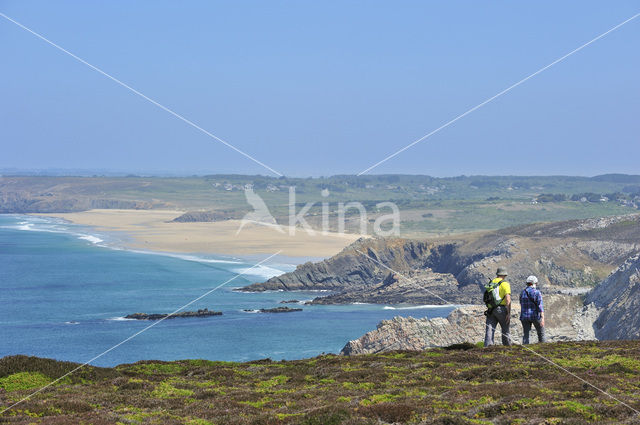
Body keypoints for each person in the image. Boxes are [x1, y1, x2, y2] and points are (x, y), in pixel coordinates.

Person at [483, 267, 512, 346]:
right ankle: (507, 347)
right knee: (505, 330)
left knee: (489, 329)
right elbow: (508, 299)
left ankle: (487, 347)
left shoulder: (491, 283)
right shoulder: (505, 284)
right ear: (505, 274)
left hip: (490, 309)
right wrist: (508, 313)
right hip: (501, 309)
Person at [519, 275, 546, 344]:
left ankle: (525, 349)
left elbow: (521, 303)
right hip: (535, 316)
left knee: (526, 335)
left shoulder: (522, 292)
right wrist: (542, 318)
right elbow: (540, 307)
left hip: (524, 316)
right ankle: (543, 347)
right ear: (534, 283)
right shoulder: (537, 293)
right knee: (541, 333)